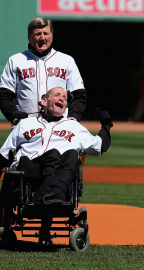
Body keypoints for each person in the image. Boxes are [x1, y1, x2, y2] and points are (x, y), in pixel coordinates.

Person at [0, 86, 112, 245]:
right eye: (57, 95)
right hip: (30, 171)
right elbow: (4, 153)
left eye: (65, 98)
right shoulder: (25, 124)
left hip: (60, 174)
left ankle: (48, 197)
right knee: (53, 154)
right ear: (44, 101)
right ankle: (51, 195)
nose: (62, 99)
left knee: (73, 156)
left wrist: (106, 125)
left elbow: (100, 146)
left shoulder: (73, 127)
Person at [0, 17, 86, 126]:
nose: (42, 38)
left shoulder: (66, 60)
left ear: (52, 36)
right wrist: (14, 118)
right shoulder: (16, 60)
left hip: (59, 128)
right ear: (29, 37)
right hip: (25, 127)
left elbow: (78, 95)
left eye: (46, 33)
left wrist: (73, 117)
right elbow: (4, 95)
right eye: (37, 34)